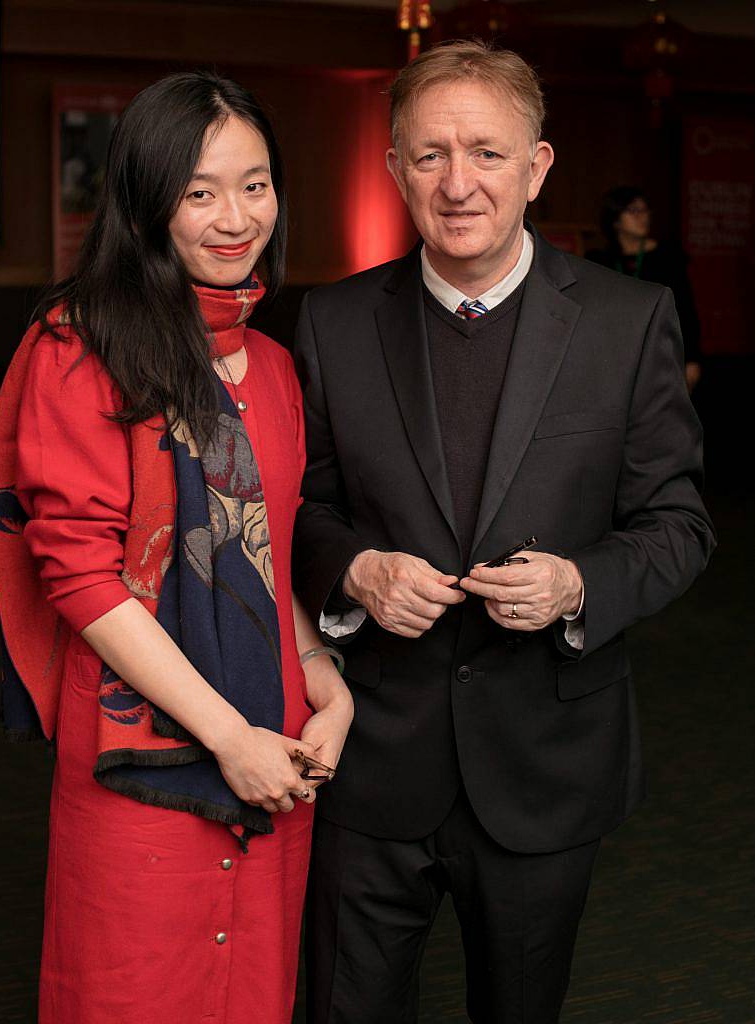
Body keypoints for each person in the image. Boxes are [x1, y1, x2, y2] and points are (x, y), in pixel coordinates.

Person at [292, 40, 715, 1024]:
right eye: (430, 154)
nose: (458, 182)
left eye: (487, 152)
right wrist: (352, 570)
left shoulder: (629, 319)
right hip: (369, 758)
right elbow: (294, 507)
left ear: (538, 166)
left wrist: (579, 585)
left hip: (546, 759)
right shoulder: (332, 321)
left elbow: (680, 523)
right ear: (394, 169)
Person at [0, 71, 353, 1024]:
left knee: (251, 989)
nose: (236, 218)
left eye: (255, 184)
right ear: (148, 203)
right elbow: (79, 574)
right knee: (134, 987)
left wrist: (323, 675)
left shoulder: (269, 363)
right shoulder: (83, 341)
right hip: (143, 738)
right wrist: (224, 738)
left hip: (271, 730)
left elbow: (264, 545)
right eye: (199, 192)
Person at [587, 185, 703, 392]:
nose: (643, 217)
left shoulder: (667, 257)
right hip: (616, 357)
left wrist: (692, 358)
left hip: (661, 354)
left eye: (645, 210)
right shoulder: (600, 260)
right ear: (615, 219)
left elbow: (685, 309)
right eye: (634, 211)